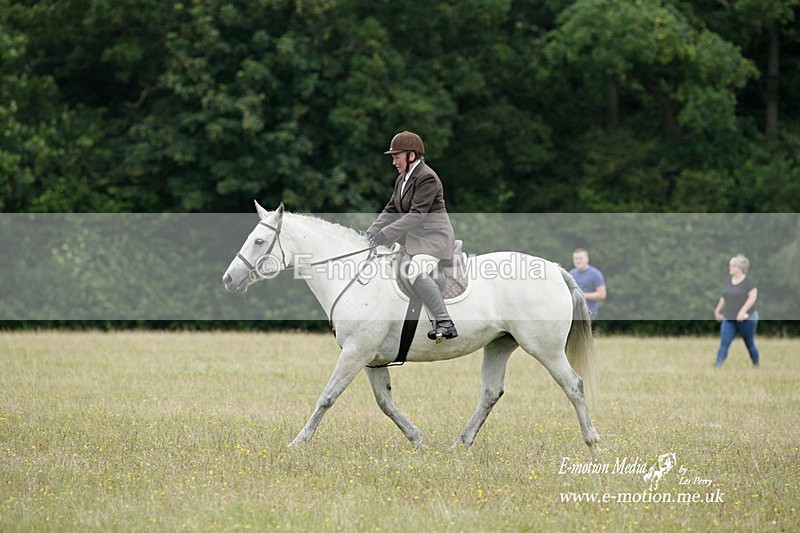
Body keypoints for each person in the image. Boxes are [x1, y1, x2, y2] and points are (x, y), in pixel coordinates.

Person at [366, 131, 458, 342]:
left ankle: (444, 321)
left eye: (396, 156)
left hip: (434, 239)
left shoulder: (427, 177)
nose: (394, 162)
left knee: (413, 269)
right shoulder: (402, 179)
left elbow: (416, 215)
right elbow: (390, 210)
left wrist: (385, 234)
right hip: (415, 240)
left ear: (411, 156)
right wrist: (370, 233)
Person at [713, 254, 760, 368]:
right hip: (729, 318)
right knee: (724, 343)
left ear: (739, 268)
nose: (729, 268)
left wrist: (742, 311)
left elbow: (752, 297)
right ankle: (717, 365)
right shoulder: (728, 281)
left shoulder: (749, 282)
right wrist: (717, 311)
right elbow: (724, 297)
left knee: (749, 343)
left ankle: (756, 364)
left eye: (732, 266)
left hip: (747, 319)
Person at [569, 248, 607, 320]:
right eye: (576, 259)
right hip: (573, 312)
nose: (578, 261)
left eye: (580, 258)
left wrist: (582, 295)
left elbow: (602, 294)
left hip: (589, 312)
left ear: (587, 259)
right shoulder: (571, 274)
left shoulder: (595, 274)